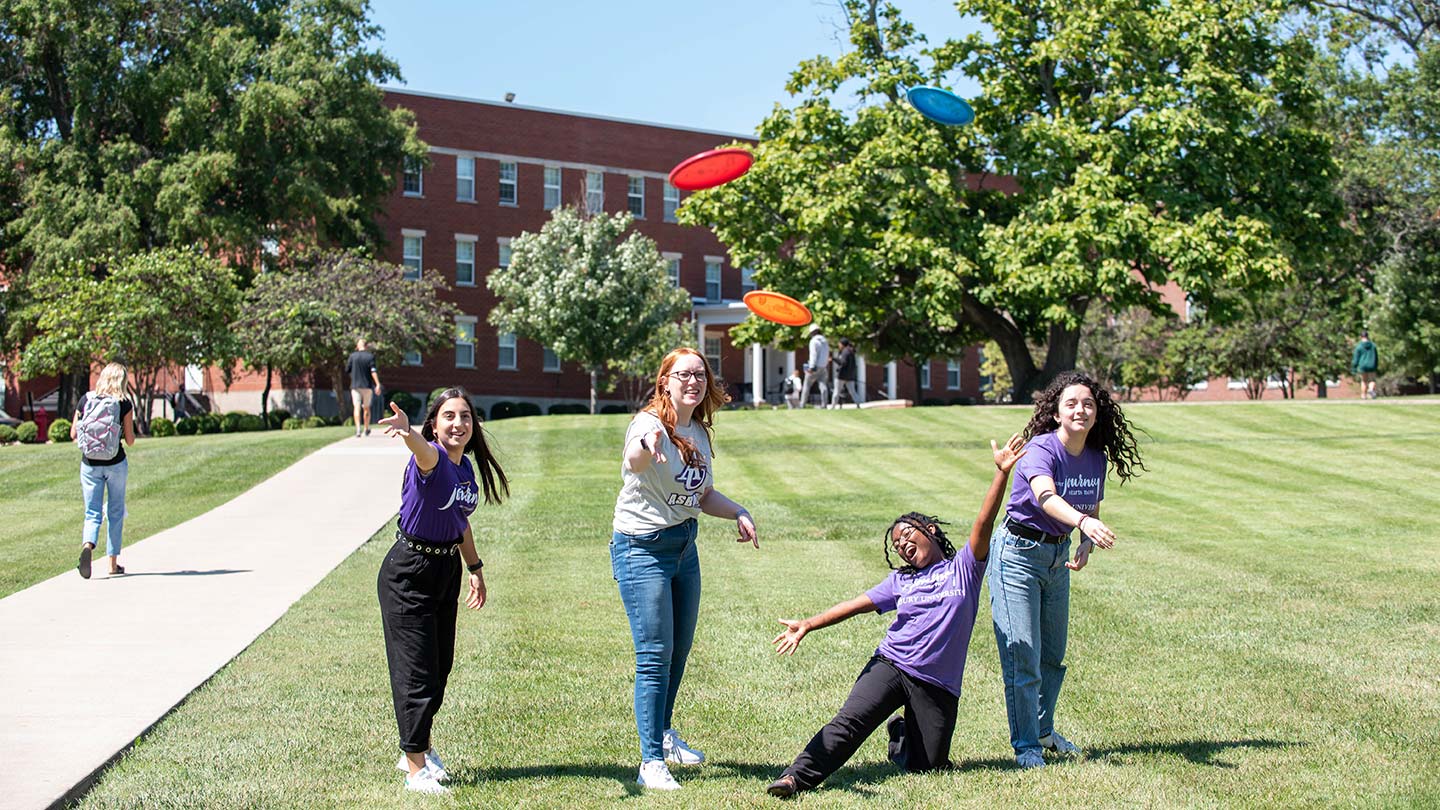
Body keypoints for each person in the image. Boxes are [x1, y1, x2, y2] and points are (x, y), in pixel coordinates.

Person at [765, 434, 1028, 798]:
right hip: (892, 663)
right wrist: (809, 624)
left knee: (929, 765)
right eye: (897, 545)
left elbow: (983, 524)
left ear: (929, 530)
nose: (902, 545)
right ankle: (795, 777)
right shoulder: (901, 581)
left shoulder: (964, 569)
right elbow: (855, 605)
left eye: (907, 535)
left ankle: (900, 735)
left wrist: (1000, 474)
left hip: (938, 683)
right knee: (850, 723)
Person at [612, 347, 760, 791]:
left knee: (677, 651)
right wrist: (646, 445)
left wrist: (738, 511)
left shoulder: (697, 429)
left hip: (683, 548)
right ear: (665, 382)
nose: (693, 381)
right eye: (684, 374)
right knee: (654, 653)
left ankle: (663, 733)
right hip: (642, 548)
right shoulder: (649, 425)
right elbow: (633, 462)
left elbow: (702, 494)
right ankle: (650, 761)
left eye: (700, 374)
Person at [988, 371, 1144, 769]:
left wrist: (1086, 541)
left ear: (1097, 414)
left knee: (1052, 656)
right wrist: (1083, 524)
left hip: (1057, 558)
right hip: (1017, 555)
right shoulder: (1041, 449)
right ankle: (1026, 747)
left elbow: (1090, 503)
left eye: (1088, 404)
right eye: (1071, 403)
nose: (1081, 409)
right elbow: (1046, 496)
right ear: (1056, 413)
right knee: (1023, 653)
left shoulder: (1094, 456)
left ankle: (1043, 731)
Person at [376, 387, 508, 795]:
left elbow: (460, 521)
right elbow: (422, 451)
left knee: (438, 669)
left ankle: (420, 748)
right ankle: (415, 768)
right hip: (409, 572)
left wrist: (475, 568)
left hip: (445, 567)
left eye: (465, 416)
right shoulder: (430, 457)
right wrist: (407, 432)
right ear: (434, 423)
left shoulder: (464, 467)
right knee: (415, 672)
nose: (458, 424)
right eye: (449, 416)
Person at [72, 362, 137, 579]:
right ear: (122, 380)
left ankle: (88, 546)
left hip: (89, 464)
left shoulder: (86, 399)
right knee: (115, 511)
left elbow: (74, 433)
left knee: (92, 512)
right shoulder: (124, 403)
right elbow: (130, 440)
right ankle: (112, 563)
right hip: (115, 463)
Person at [348, 338, 383, 437]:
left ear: (357, 346)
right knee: (366, 408)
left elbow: (348, 369)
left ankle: (358, 429)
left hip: (355, 386)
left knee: (357, 407)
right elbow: (373, 371)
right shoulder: (370, 357)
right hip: (367, 386)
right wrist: (377, 384)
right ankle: (366, 428)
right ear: (366, 346)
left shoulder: (352, 356)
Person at [800, 325, 830, 408]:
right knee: (823, 385)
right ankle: (824, 404)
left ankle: (802, 404)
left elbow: (813, 355)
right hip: (823, 367)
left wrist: (811, 367)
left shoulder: (814, 341)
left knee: (806, 385)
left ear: (812, 332)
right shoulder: (825, 341)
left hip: (815, 367)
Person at [829, 338, 861, 408]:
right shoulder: (851, 351)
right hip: (850, 376)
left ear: (842, 344)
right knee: (853, 392)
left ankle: (833, 406)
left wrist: (833, 359)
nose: (838, 345)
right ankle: (858, 405)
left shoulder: (845, 351)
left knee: (836, 392)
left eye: (839, 344)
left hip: (842, 375)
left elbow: (843, 362)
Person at [1352, 330, 1378, 399]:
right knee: (1372, 379)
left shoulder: (1359, 346)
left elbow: (1356, 358)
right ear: (1367, 336)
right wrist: (1376, 364)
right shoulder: (1373, 346)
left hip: (1362, 365)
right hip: (1371, 364)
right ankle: (1371, 389)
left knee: (1364, 380)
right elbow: (1376, 356)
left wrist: (1354, 367)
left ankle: (1363, 395)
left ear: (1361, 337)